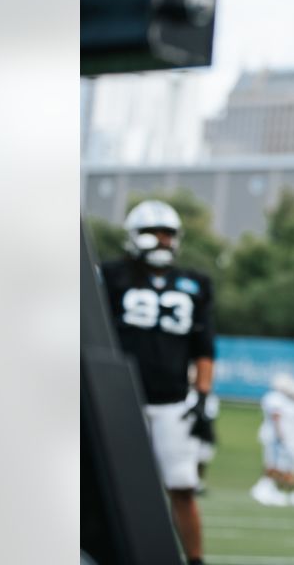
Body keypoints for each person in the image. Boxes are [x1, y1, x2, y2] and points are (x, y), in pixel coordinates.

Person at [100, 200, 216, 565]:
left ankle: (195, 560)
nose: (163, 241)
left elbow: (204, 348)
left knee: (182, 486)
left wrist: (201, 396)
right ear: (134, 237)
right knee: (111, 487)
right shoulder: (111, 275)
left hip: (172, 401)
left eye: (168, 234)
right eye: (154, 233)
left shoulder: (195, 283)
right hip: (120, 397)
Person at [251, 373, 294, 507]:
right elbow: (276, 418)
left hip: (284, 438)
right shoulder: (275, 398)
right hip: (276, 437)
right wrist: (281, 436)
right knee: (274, 464)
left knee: (282, 465)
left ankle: (273, 490)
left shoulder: (293, 402)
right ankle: (265, 488)